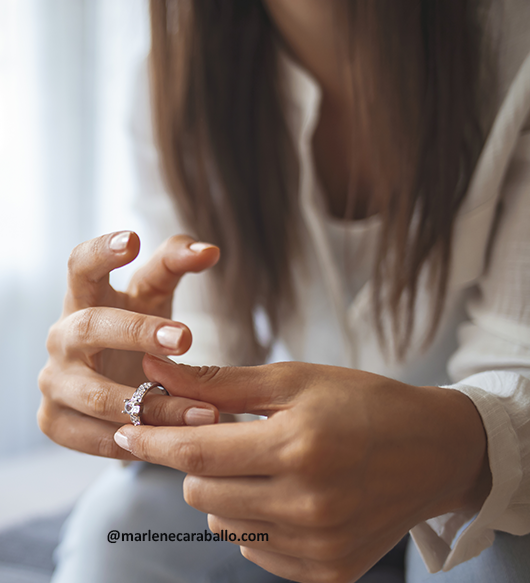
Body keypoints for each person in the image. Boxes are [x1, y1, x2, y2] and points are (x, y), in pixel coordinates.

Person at [37, 1, 530, 582]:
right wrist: (148, 384)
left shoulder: (513, 44)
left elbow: (515, 362)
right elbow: (212, 351)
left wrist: (462, 449)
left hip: (461, 470)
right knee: (119, 534)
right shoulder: (174, 82)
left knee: (495, 560)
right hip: (280, 472)